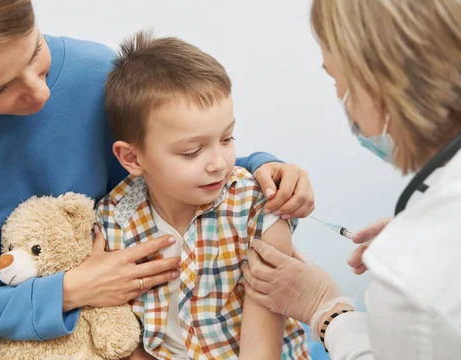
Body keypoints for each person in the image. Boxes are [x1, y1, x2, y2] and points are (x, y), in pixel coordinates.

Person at [0, 0, 316, 359]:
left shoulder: (94, 73)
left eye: (36, 56)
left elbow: (175, 147)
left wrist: (263, 166)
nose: (40, 92)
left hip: (112, 329)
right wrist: (68, 291)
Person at [242, 0, 461, 359]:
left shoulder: (414, 270)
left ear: (379, 78)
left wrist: (325, 310)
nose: (340, 94)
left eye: (335, 76)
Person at [97, 31, 309, 360]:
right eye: (192, 152)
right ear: (132, 159)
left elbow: (261, 351)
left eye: (227, 138)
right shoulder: (112, 221)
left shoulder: (258, 210)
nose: (219, 163)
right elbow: (119, 330)